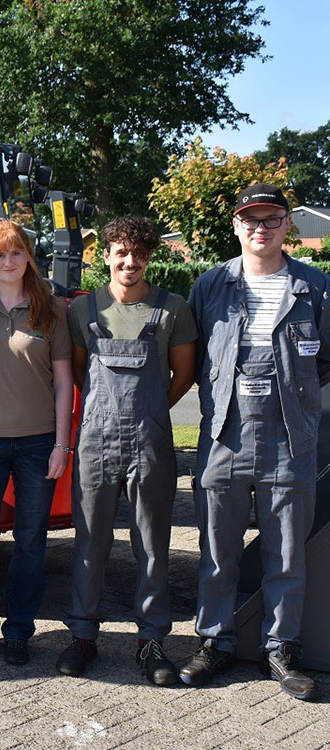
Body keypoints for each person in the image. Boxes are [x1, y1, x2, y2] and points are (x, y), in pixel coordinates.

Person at [182, 184, 329, 701]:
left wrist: (296, 397)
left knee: (285, 552)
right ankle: (214, 642)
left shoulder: (315, 287)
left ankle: (281, 649)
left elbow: (325, 359)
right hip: (223, 432)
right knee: (216, 549)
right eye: (250, 219)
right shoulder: (210, 285)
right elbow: (193, 356)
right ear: (237, 226)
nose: (260, 228)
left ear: (288, 224)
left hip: (291, 438)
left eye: (271, 219)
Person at [57, 216, 196, 685]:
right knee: (89, 544)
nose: (129, 261)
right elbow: (80, 373)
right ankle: (82, 635)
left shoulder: (172, 308)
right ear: (107, 255)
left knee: (152, 546)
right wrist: (108, 412)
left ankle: (152, 640)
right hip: (95, 443)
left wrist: (150, 412)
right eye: (120, 252)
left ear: (149, 257)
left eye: (138, 253)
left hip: (149, 444)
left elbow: (183, 375)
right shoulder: (84, 310)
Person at [0, 220, 73, 665]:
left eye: (16, 252)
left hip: (37, 444)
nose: (8, 261)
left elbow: (63, 383)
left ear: (28, 255)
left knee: (30, 542)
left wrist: (61, 445)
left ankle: (19, 632)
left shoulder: (50, 308)